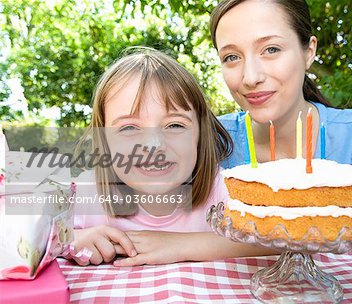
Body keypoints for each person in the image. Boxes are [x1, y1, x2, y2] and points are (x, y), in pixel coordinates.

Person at [210, 0, 352, 225]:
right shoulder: (209, 141)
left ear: (309, 52)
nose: (250, 77)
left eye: (271, 49)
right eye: (231, 57)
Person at [70, 47, 275, 266]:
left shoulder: (222, 191)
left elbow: (278, 238)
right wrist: (71, 239)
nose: (153, 145)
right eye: (129, 128)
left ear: (199, 134)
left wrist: (181, 244)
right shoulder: (85, 194)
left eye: (175, 125)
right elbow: (35, 235)